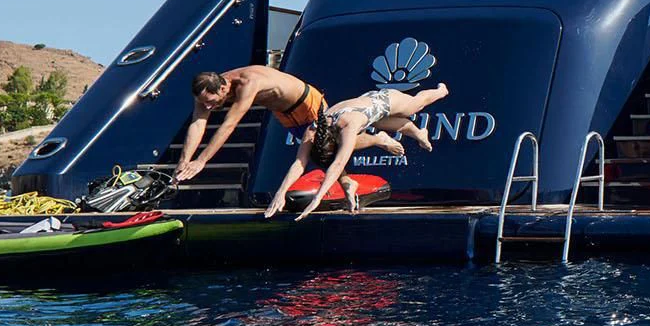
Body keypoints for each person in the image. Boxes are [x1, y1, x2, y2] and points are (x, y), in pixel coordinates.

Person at [263, 83, 449, 221]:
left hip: (384, 100)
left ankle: (440, 92)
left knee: (415, 105)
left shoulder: (348, 125)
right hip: (367, 115)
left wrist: (317, 198)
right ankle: (351, 182)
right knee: (377, 124)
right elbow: (299, 163)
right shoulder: (313, 130)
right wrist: (280, 193)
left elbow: (338, 164)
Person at [178, 66, 395, 182]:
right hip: (283, 111)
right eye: (203, 103)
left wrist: (202, 161)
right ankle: (347, 184)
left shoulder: (248, 83)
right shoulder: (205, 92)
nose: (208, 107)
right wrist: (184, 161)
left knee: (327, 143)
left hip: (307, 101)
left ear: (223, 89)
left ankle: (377, 139)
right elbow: (198, 124)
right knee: (317, 152)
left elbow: (229, 125)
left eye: (211, 102)